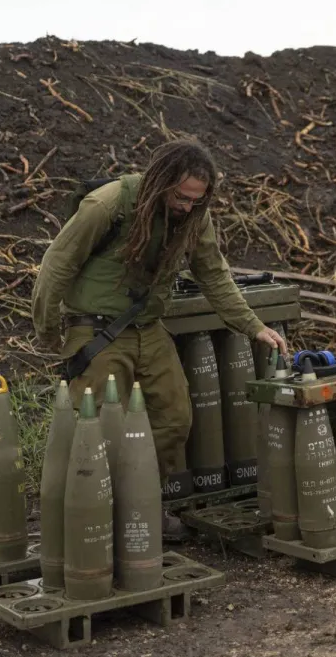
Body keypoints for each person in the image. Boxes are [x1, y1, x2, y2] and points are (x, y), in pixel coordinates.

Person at [31, 138, 288, 535]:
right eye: (182, 197)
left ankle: (141, 503)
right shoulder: (109, 204)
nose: (188, 207)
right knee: (96, 426)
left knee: (174, 418)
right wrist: (48, 331)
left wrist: (253, 326)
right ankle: (94, 518)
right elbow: (57, 264)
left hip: (149, 330)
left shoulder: (194, 216)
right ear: (161, 181)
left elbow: (214, 274)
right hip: (95, 330)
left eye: (196, 200)